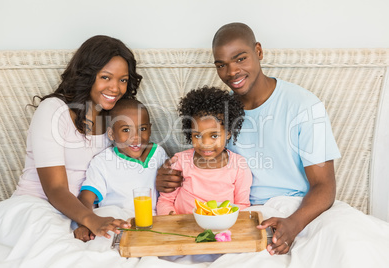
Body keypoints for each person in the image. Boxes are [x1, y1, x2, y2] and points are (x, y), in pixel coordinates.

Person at [156, 23, 341, 255]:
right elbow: (200, 164)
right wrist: (166, 178)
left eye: (241, 58)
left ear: (259, 52)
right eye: (221, 65)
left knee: (347, 247)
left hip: (298, 210)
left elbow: (325, 186)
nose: (231, 72)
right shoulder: (220, 115)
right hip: (241, 214)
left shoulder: (304, 105)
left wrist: (293, 223)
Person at [0, 35, 143, 243]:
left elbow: (128, 165)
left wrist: (162, 174)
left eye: (122, 80)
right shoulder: (53, 111)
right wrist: (90, 220)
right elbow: (55, 189)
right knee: (56, 248)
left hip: (86, 213)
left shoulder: (115, 119)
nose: (115, 88)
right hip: (39, 206)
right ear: (88, 75)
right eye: (106, 77)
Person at [74, 98, 167, 241]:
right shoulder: (103, 162)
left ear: (150, 128)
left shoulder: (158, 153)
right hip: (118, 223)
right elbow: (86, 198)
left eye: (142, 129)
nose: (136, 137)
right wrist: (85, 223)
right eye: (126, 130)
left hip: (152, 224)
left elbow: (172, 184)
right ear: (111, 134)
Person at [156, 86, 252, 215]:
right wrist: (172, 218)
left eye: (214, 136)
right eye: (198, 135)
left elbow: (242, 205)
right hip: (181, 226)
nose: (205, 144)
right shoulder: (180, 161)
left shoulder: (239, 165)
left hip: (221, 227)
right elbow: (165, 201)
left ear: (228, 133)